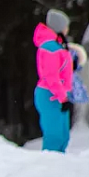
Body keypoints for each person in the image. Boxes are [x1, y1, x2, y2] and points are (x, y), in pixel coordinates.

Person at [33, 9, 74, 153]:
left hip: (59, 95)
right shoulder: (50, 47)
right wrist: (62, 97)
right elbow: (51, 76)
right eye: (66, 26)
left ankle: (60, 168)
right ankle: (49, 168)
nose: (67, 29)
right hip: (50, 95)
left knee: (63, 136)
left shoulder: (57, 46)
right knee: (54, 136)